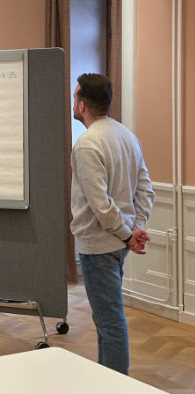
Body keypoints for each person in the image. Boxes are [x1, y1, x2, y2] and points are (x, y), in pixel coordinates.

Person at [71, 73, 155, 375]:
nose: (73, 103)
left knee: (109, 320)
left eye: (75, 97)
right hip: (119, 243)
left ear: (82, 105)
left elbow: (101, 205)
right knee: (107, 318)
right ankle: (107, 378)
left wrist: (128, 234)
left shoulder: (87, 144)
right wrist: (134, 228)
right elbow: (146, 190)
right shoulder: (126, 136)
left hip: (100, 245)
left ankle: (117, 385)